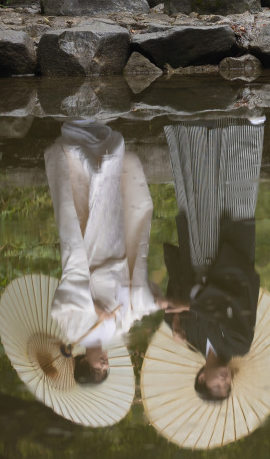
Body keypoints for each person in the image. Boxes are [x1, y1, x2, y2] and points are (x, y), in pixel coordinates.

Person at [44, 120, 169, 384]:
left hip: (92, 256)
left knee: (89, 199)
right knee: (111, 199)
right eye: (105, 371)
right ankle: (103, 146)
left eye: (96, 369)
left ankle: (82, 146)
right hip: (118, 254)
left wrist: (94, 308)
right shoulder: (114, 332)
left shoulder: (74, 330)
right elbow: (134, 306)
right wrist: (154, 302)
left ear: (81, 361)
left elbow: (63, 302)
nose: (103, 365)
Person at [161, 116, 265, 400]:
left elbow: (175, 292)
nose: (224, 382)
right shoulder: (239, 344)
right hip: (229, 260)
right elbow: (229, 306)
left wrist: (177, 320)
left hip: (196, 257)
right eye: (227, 387)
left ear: (201, 377)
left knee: (198, 194)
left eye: (216, 386)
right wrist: (188, 305)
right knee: (235, 196)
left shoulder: (191, 339)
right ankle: (248, 128)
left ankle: (193, 130)